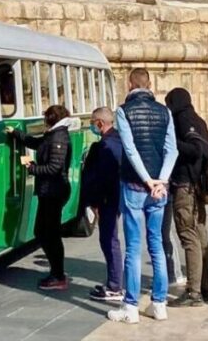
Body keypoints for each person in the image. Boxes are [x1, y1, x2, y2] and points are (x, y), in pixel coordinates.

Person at [107, 68, 178, 324]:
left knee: (134, 247)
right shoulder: (165, 111)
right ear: (150, 84)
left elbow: (130, 148)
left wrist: (147, 180)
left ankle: (131, 307)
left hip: (135, 186)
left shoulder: (123, 111)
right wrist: (162, 181)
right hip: (159, 189)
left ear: (129, 84)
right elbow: (172, 150)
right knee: (157, 244)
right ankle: (159, 304)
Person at [6, 105, 73, 291]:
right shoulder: (53, 134)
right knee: (43, 232)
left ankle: (58, 275)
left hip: (54, 191)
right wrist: (16, 133)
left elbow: (54, 167)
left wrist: (33, 168)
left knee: (48, 233)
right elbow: (36, 143)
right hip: (49, 191)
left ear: (51, 119)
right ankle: (56, 272)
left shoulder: (58, 137)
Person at [164, 87, 208, 307]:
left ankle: (194, 293)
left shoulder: (183, 120)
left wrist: (170, 143)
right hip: (198, 187)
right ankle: (203, 288)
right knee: (200, 236)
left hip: (185, 186)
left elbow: (195, 149)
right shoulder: (198, 120)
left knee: (188, 236)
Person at [81, 107, 124, 301]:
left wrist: (96, 201)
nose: (91, 126)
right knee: (110, 239)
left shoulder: (104, 147)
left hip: (108, 199)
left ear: (100, 123)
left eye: (92, 122)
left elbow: (101, 178)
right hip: (118, 197)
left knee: (108, 239)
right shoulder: (119, 140)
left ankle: (115, 285)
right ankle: (114, 282)